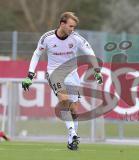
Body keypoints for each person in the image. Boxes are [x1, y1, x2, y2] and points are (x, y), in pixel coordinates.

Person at [21, 12, 103, 150]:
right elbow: (37, 54)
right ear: (62, 24)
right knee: (64, 99)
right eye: (70, 26)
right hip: (54, 73)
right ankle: (72, 133)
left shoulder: (76, 38)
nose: (72, 29)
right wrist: (30, 75)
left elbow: (90, 53)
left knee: (74, 109)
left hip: (72, 74)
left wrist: (96, 70)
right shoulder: (47, 38)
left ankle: (72, 140)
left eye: (74, 27)